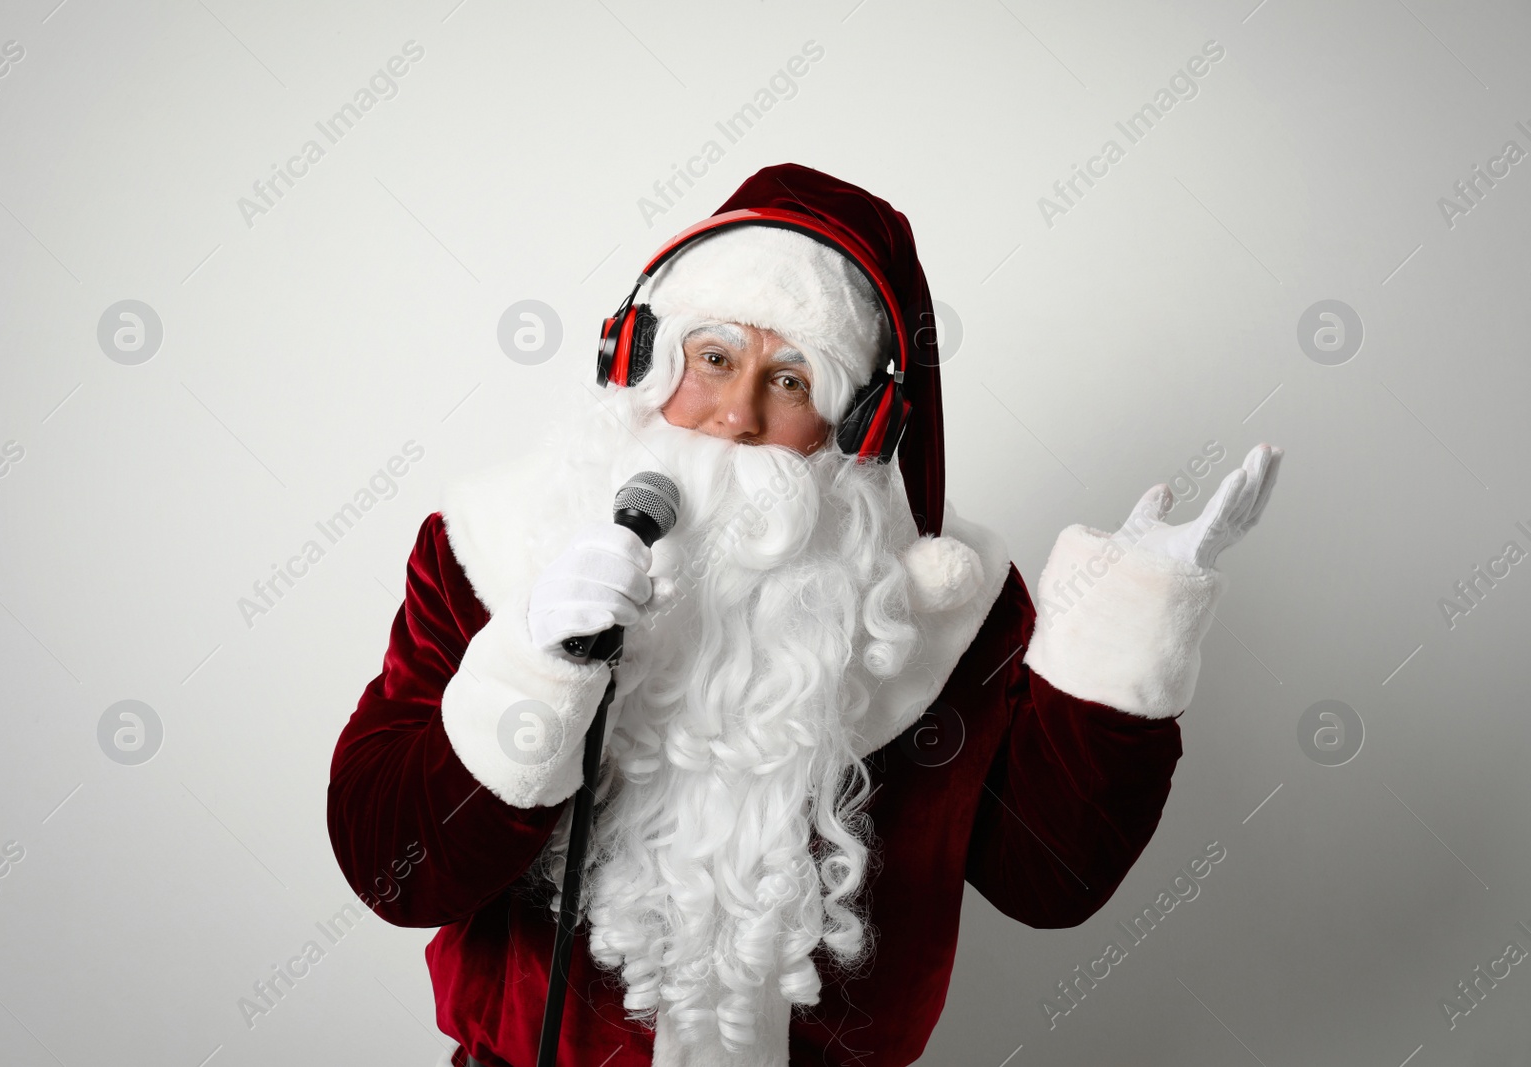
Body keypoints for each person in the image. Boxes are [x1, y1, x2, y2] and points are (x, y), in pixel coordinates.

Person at [327, 164, 1283, 1067]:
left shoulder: (947, 615)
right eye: (713, 357)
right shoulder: (486, 548)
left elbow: (1050, 880)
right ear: (645, 357)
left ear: (858, 423)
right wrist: (535, 668)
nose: (736, 415)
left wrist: (1127, 628)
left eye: (790, 381)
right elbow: (392, 870)